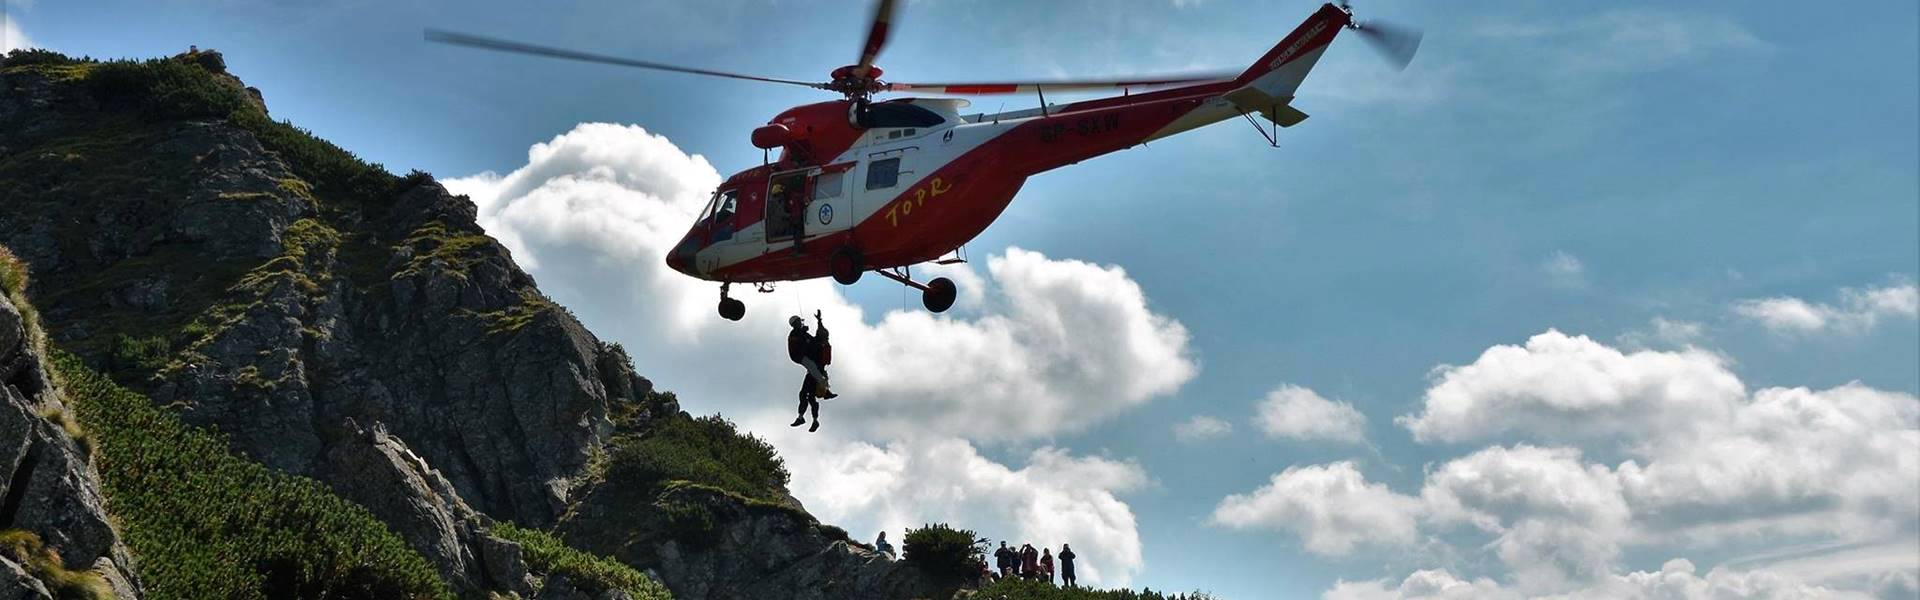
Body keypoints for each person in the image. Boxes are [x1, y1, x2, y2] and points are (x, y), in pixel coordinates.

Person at [787, 311, 834, 432]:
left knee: (808, 396)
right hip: (812, 373)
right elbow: (810, 337)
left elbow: (818, 335)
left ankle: (810, 418)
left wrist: (818, 322)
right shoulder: (809, 339)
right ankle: (807, 418)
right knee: (806, 396)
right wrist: (819, 321)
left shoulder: (818, 345)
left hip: (815, 373)